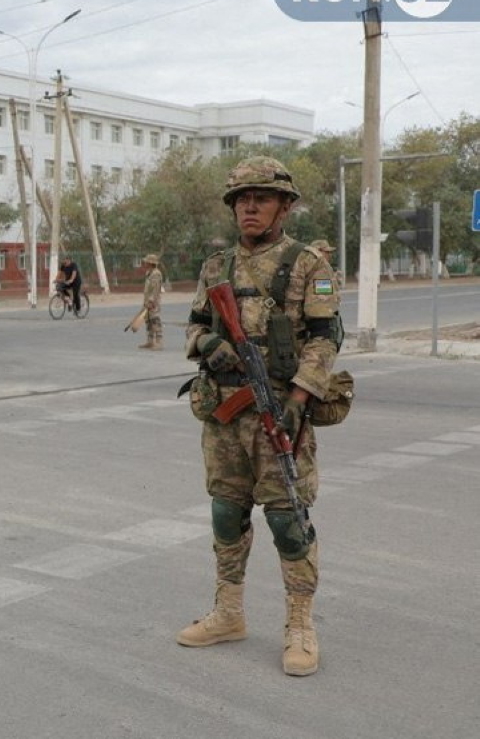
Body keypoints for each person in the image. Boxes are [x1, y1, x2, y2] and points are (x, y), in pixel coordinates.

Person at [178, 156, 341, 677]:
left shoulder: (309, 264)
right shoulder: (215, 266)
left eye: (261, 198)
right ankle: (228, 613)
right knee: (226, 512)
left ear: (284, 206)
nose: (249, 206)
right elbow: (193, 327)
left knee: (287, 518)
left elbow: (325, 337)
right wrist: (209, 344)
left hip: (279, 410)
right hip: (225, 416)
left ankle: (299, 623)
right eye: (241, 199)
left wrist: (297, 400)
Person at [139, 254, 164, 349]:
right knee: (148, 320)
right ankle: (150, 341)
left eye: (146, 262)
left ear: (150, 263)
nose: (144, 263)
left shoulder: (156, 274)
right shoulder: (149, 273)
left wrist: (151, 301)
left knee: (155, 320)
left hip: (153, 301)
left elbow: (155, 289)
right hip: (147, 300)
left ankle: (158, 342)